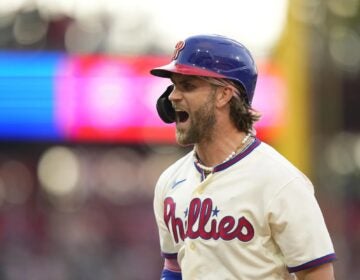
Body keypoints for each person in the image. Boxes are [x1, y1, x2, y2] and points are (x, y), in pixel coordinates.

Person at [150, 34, 336, 280]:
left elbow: (316, 273)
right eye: (174, 85)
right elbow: (174, 269)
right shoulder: (169, 181)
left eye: (188, 86)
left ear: (224, 95)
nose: (172, 96)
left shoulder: (281, 182)